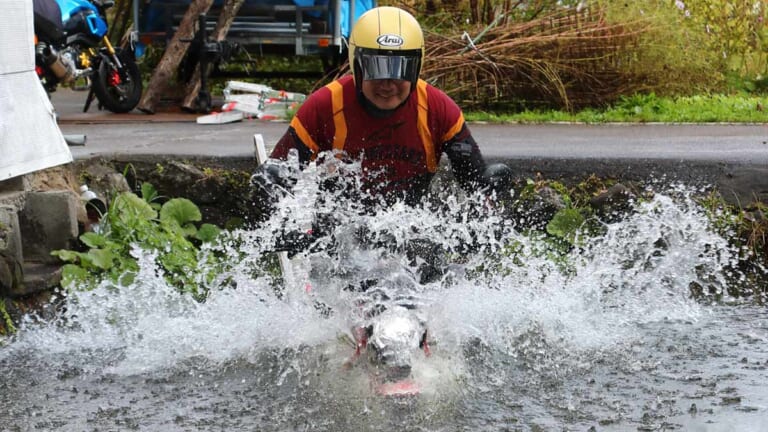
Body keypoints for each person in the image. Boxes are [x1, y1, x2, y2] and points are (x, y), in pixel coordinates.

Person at [252, 6, 511, 214]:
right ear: (357, 66)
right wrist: (269, 204)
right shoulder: (324, 105)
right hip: (339, 229)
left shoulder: (440, 110)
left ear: (416, 68)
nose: (387, 84)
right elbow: (279, 173)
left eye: (399, 70)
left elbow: (475, 181)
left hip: (410, 228)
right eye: (376, 69)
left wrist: (489, 200)